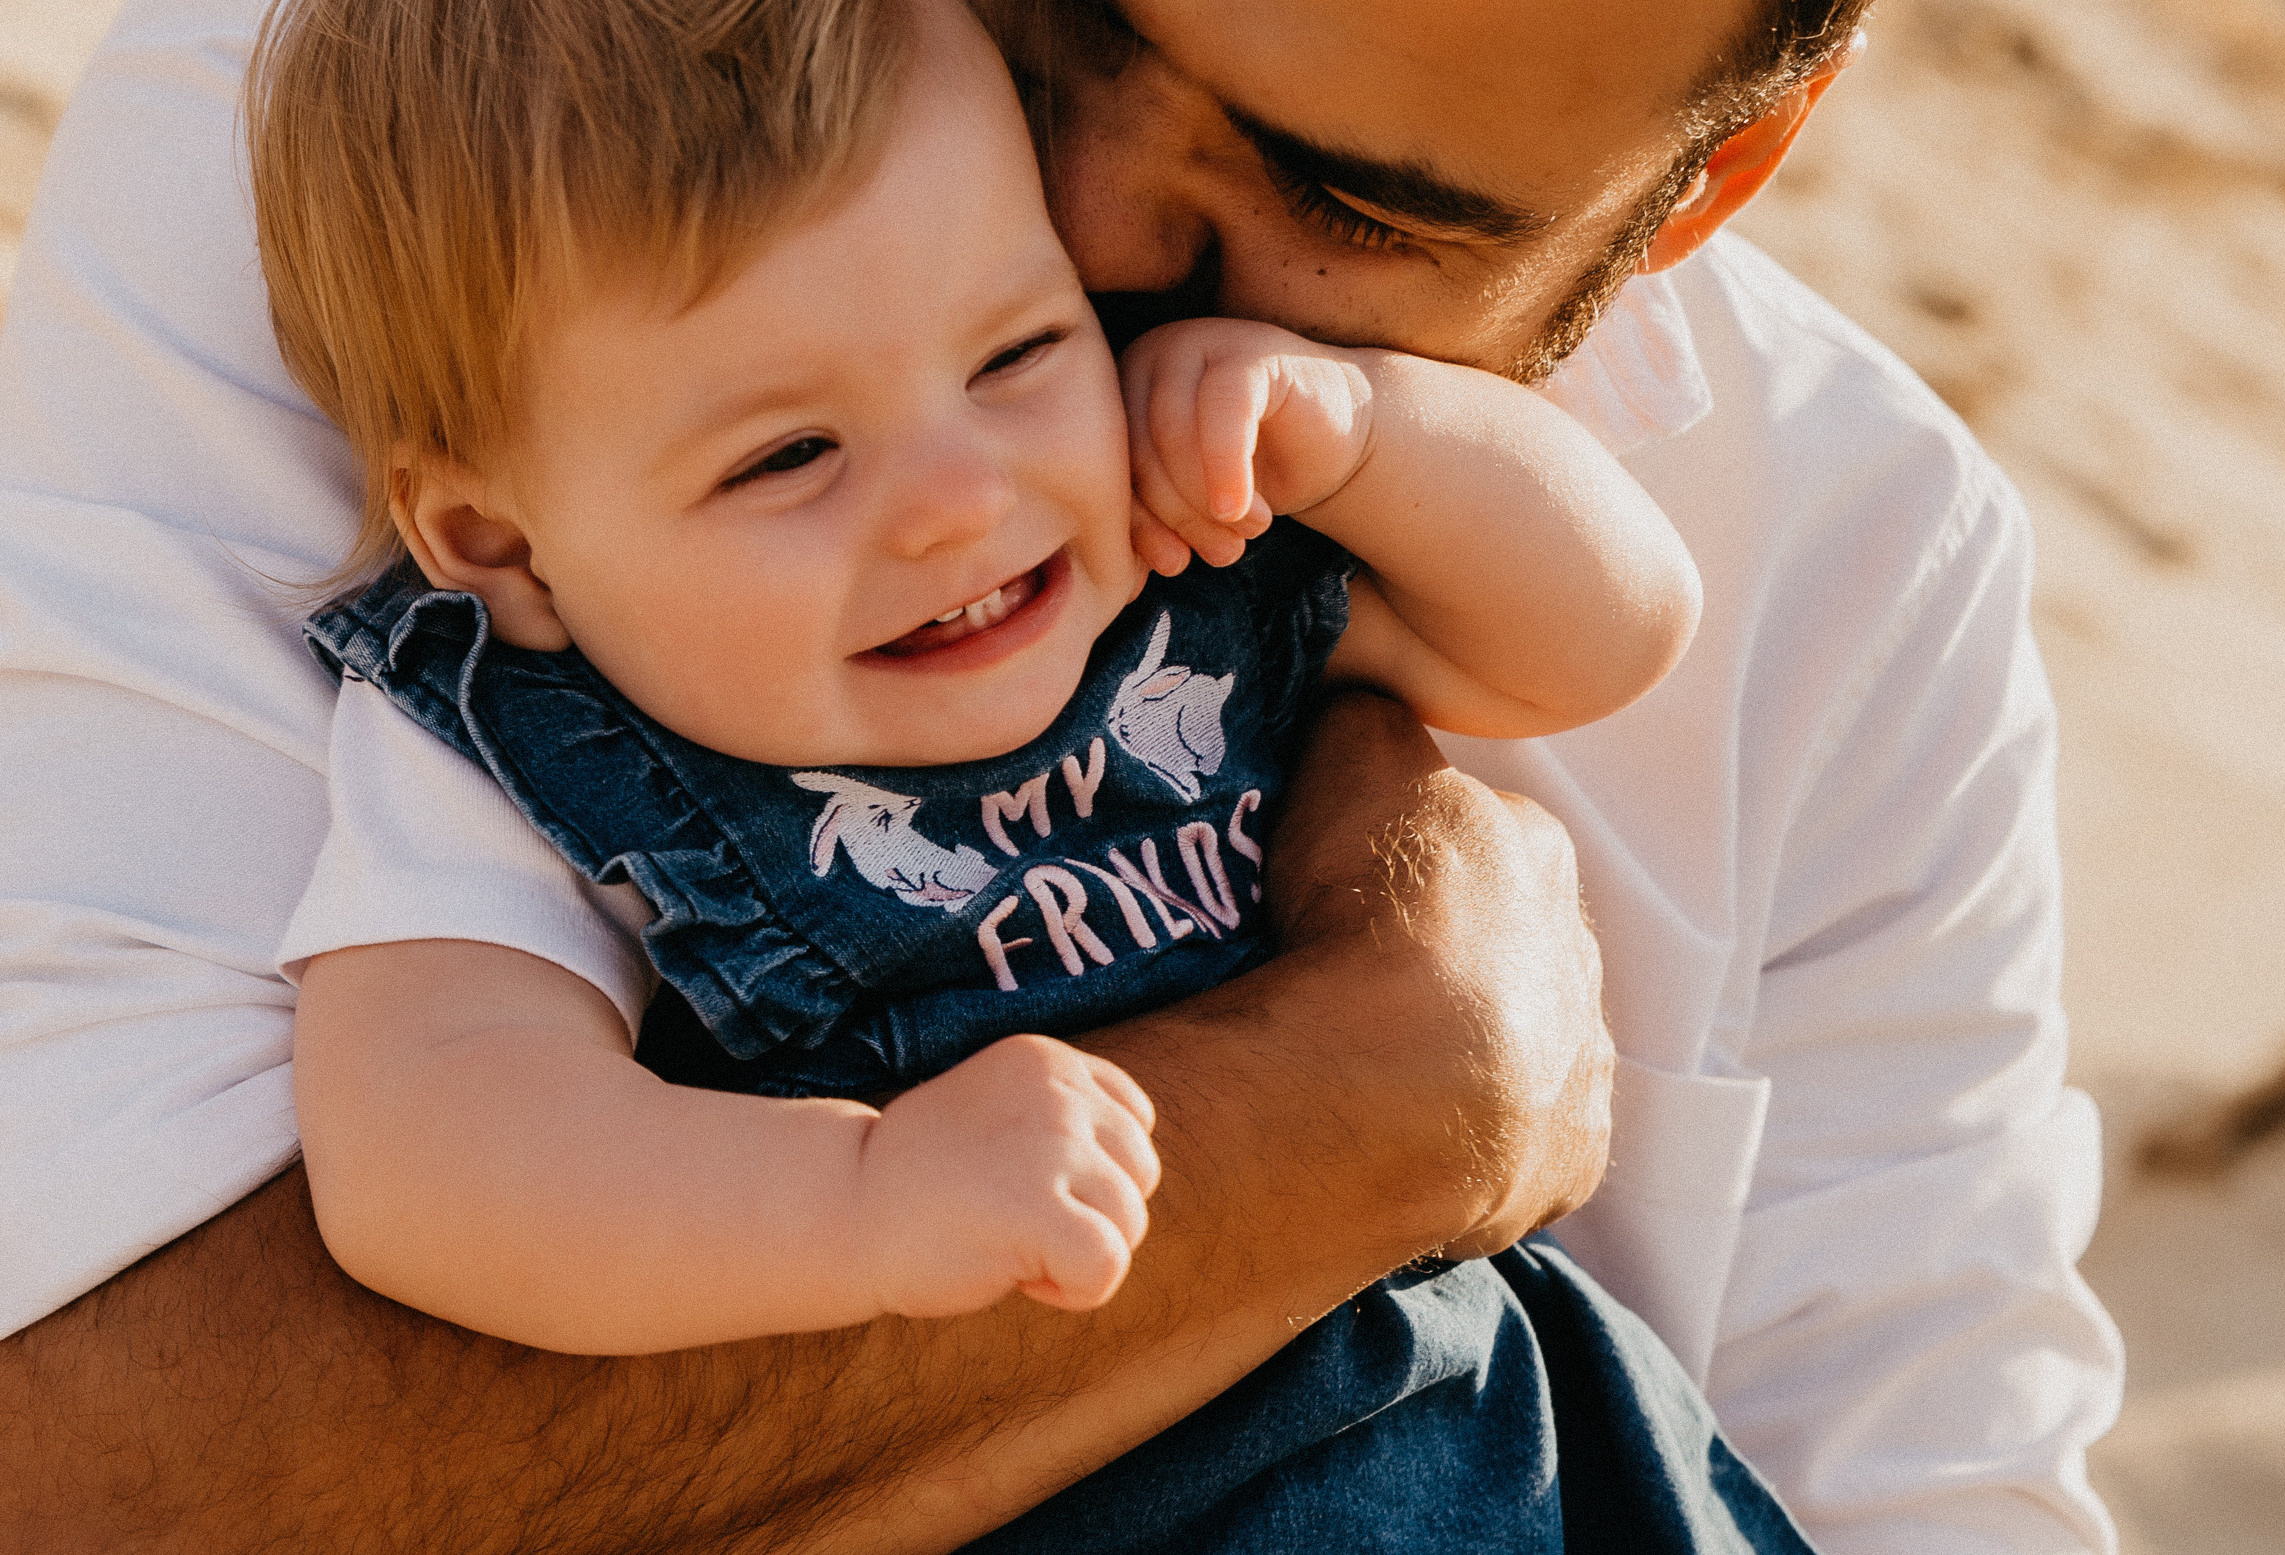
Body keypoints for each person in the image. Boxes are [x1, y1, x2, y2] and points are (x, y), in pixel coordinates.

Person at [0, 0, 2124, 1550]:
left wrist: (1367, 448)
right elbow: (113, 1426)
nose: (1085, 229)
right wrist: (1368, 1113)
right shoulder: (460, 150)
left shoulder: (1843, 557)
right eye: (1084, 22)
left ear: (1711, 185)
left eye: (1341, 204)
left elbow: (1940, 1487)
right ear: (494, 539)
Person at [253, 0, 1703, 1351]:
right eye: (788, 455)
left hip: (1491, 1425)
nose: (958, 496)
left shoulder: (1169, 541)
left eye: (1015, 350)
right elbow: (427, 1159)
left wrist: (1368, 434)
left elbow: (1604, 636)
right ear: (499, 538)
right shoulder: (519, 745)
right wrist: (863, 1200)